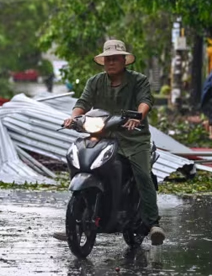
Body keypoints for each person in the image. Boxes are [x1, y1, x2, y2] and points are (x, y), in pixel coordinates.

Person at [52, 39, 165, 246]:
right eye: (107, 59)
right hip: (103, 136)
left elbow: (145, 101)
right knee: (81, 163)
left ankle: (152, 223)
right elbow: (82, 103)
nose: (110, 62)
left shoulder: (138, 80)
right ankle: (76, 221)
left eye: (115, 59)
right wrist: (73, 118)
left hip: (133, 138)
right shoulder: (95, 81)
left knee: (141, 173)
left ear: (124, 61)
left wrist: (138, 116)